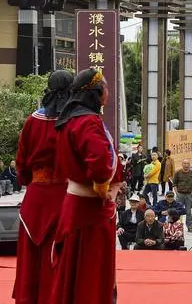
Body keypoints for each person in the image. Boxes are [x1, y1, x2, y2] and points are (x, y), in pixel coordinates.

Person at [51, 68, 123, 304]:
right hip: (91, 209)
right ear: (98, 92)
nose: (108, 91)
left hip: (74, 205)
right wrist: (105, 189)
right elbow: (101, 166)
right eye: (106, 86)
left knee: (73, 269)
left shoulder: (69, 119)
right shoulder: (88, 122)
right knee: (91, 273)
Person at [12, 70, 73, 304]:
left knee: (31, 255)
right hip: (67, 196)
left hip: (36, 197)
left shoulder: (32, 121)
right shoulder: (75, 121)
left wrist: (30, 181)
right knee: (61, 254)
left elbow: (21, 163)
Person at [173, 159, 192, 232]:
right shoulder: (178, 173)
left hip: (188, 195)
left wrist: (191, 193)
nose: (186, 165)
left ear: (189, 165)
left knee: (188, 211)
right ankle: (177, 226)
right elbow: (174, 184)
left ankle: (189, 226)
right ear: (182, 164)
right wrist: (177, 193)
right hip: (180, 194)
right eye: (184, 163)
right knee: (178, 211)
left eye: (187, 163)